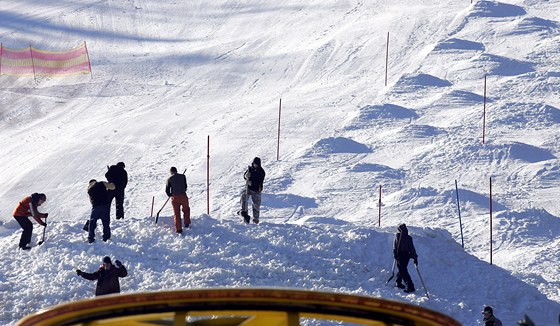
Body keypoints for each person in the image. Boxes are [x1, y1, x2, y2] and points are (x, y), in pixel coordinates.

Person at [239, 157, 266, 224]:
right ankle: (245, 214)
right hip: (249, 188)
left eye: (256, 164)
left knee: (256, 205)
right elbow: (245, 176)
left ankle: (255, 220)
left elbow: (259, 181)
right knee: (244, 198)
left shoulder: (261, 172)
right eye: (254, 164)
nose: (255, 165)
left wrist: (251, 183)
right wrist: (246, 175)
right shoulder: (250, 169)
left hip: (256, 190)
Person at [393, 223, 417, 293]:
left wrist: (395, 254)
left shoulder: (397, 236)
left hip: (400, 255)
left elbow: (395, 246)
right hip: (406, 256)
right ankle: (398, 282)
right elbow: (412, 248)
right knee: (402, 269)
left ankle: (410, 286)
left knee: (402, 270)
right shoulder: (409, 237)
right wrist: (415, 257)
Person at [165, 167, 191, 233]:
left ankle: (178, 229)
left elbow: (167, 190)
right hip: (183, 196)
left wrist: (170, 195)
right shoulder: (183, 176)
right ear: (176, 171)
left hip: (175, 197)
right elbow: (185, 187)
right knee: (186, 209)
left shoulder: (169, 179)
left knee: (176, 213)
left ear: (171, 172)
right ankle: (187, 223)